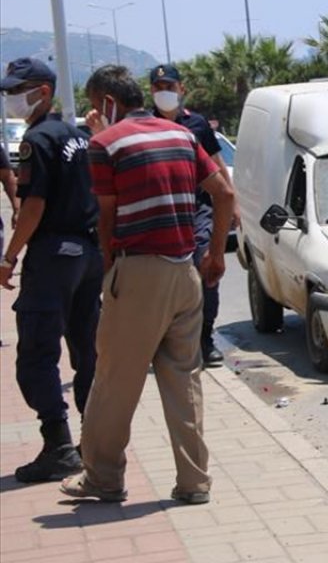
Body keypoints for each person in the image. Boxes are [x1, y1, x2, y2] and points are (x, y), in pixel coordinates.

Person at [59, 65, 235, 504]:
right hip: (184, 270)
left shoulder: (104, 144)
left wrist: (108, 272)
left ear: (106, 103)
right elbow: (225, 195)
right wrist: (213, 255)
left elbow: (106, 216)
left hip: (137, 271)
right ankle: (194, 482)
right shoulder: (182, 135)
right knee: (184, 380)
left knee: (116, 379)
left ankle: (102, 477)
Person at [0, 57, 102, 483]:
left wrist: (9, 256)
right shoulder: (76, 136)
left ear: (42, 92)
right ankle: (96, 440)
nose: (9, 99)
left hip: (53, 257)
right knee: (86, 351)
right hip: (87, 254)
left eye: (15, 90)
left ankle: (58, 446)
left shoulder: (37, 140)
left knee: (38, 354)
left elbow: (34, 206)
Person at [150, 63, 234, 368]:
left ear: (181, 89)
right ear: (151, 92)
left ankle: (205, 339)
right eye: (159, 88)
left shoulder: (197, 124)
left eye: (170, 87)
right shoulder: (147, 124)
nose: (165, 93)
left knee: (206, 271)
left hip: (198, 209)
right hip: (164, 211)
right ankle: (166, 340)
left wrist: (231, 202)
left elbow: (215, 164)